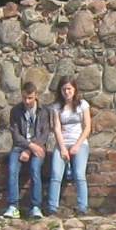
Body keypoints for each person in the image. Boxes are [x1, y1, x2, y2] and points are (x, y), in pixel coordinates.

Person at [47, 76, 94, 216]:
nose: (66, 92)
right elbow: (57, 128)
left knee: (79, 174)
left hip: (79, 143)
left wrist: (77, 145)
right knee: (56, 174)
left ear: (74, 89)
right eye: (64, 89)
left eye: (69, 89)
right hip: (63, 143)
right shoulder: (56, 107)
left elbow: (87, 127)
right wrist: (62, 148)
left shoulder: (82, 105)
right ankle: (52, 207)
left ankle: (82, 206)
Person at [4, 82, 51, 219]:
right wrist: (29, 146)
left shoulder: (45, 111)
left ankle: (36, 207)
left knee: (35, 169)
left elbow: (44, 134)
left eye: (30, 98)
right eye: (24, 97)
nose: (27, 101)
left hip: (38, 146)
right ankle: (13, 206)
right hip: (20, 146)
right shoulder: (15, 111)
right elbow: (15, 134)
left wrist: (30, 150)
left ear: (36, 95)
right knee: (12, 169)